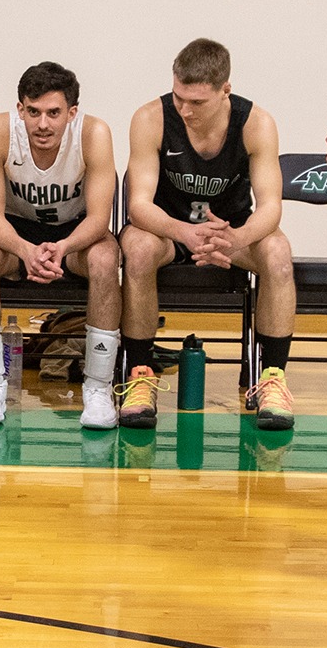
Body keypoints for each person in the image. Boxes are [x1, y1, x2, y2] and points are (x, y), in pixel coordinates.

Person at [119, 38, 296, 430]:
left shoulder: (256, 123)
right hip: (168, 232)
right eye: (179, 98)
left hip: (228, 234)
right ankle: (140, 375)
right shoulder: (150, 118)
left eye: (197, 102)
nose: (185, 110)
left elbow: (271, 206)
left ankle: (272, 380)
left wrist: (236, 238)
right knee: (138, 247)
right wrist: (184, 232)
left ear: (225, 90)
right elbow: (139, 205)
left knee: (278, 254)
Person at [0, 61, 121, 427]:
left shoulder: (94, 133)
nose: (43, 124)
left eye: (53, 113)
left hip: (76, 234)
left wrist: (62, 248)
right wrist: (25, 250)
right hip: (15, 232)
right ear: (20, 109)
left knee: (104, 258)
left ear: (72, 113)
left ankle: (98, 387)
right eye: (33, 112)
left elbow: (99, 220)